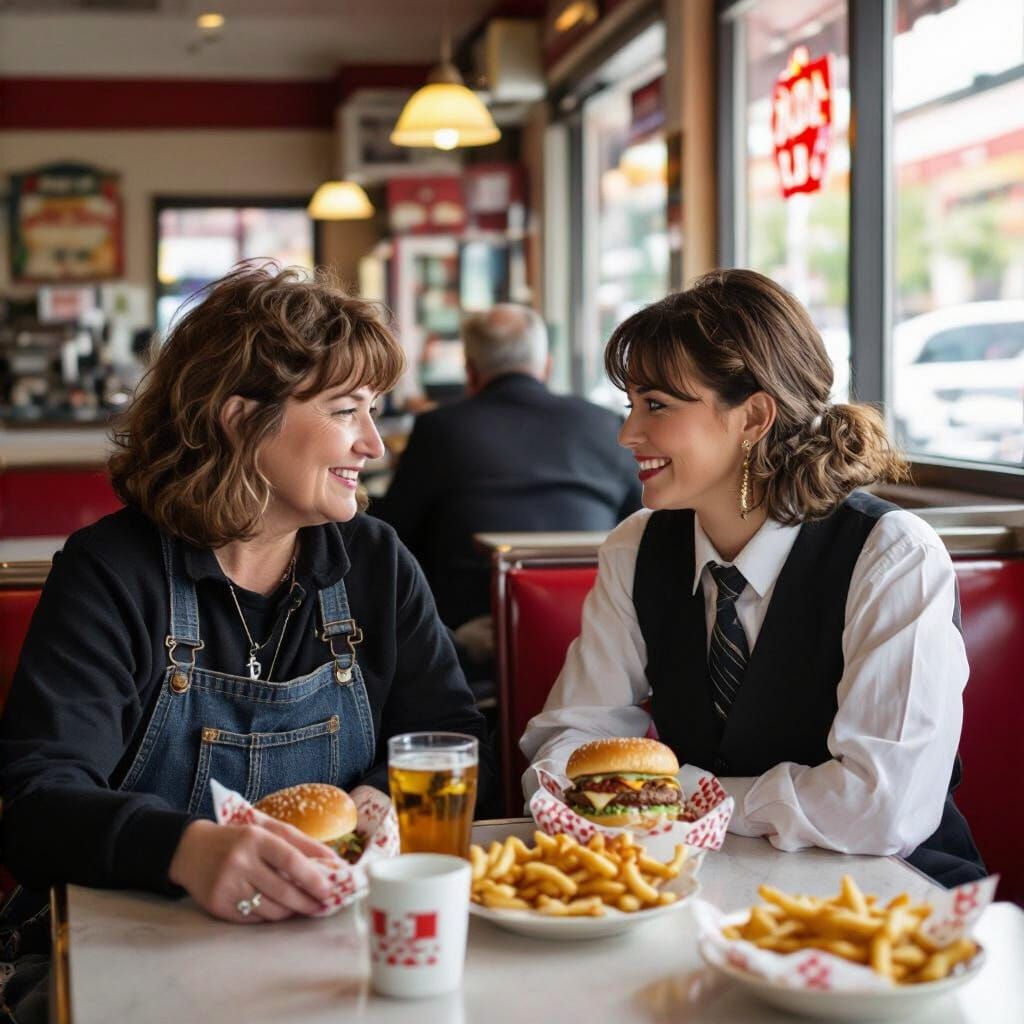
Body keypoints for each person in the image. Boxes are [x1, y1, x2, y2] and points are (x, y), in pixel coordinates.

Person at [0, 263, 494, 1020]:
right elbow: (36, 805)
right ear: (240, 419)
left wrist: (382, 799)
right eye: (345, 410)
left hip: (337, 954)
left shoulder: (375, 560)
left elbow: (451, 737)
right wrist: (186, 850)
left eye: (374, 411)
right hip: (138, 949)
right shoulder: (113, 572)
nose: (373, 443)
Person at [520, 268, 985, 887]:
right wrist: (578, 788)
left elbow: (881, 807)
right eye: (631, 406)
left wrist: (680, 796)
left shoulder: (891, 556)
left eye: (656, 405)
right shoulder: (635, 548)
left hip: (891, 892)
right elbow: (572, 733)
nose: (628, 434)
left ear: (755, 417)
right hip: (705, 883)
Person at [374, 304, 642, 637]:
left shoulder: (439, 429)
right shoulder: (608, 425)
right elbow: (638, 530)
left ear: (470, 372)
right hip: (591, 623)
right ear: (547, 367)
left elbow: (395, 534)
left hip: (473, 631)